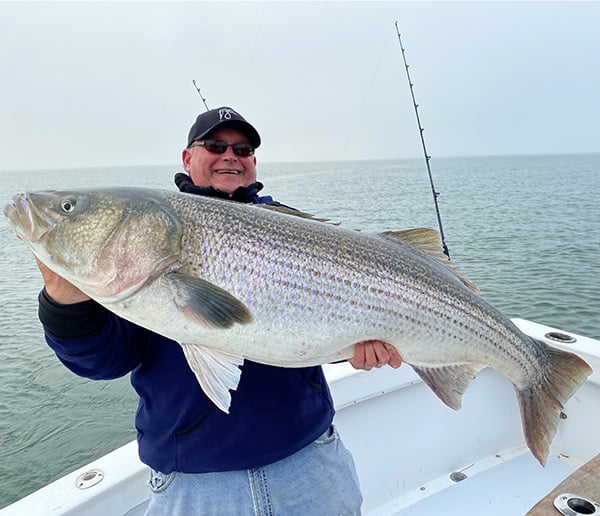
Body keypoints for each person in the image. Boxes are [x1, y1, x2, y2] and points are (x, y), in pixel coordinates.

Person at [35, 106, 402, 515]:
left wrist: (360, 347)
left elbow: (315, 335)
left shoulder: (294, 232)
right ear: (187, 158)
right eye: (215, 145)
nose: (230, 155)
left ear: (253, 162)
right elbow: (104, 362)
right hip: (194, 484)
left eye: (243, 148)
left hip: (309, 463)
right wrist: (63, 301)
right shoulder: (141, 252)